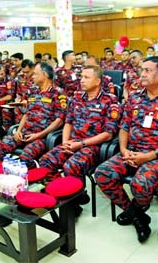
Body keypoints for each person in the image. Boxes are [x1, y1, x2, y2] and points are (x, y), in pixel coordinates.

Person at [94, 56, 158, 243]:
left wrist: (148, 157)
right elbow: (124, 127)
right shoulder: (135, 97)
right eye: (142, 70)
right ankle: (137, 217)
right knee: (102, 174)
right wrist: (123, 149)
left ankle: (135, 212)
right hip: (131, 152)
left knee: (140, 185)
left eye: (148, 70)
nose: (142, 74)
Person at [37, 64, 119, 214]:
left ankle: (73, 198)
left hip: (94, 146)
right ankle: (68, 199)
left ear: (97, 81)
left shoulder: (110, 101)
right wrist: (65, 142)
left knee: (71, 166)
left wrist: (81, 144)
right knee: (45, 162)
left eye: (86, 77)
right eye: (81, 76)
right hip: (73, 142)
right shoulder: (77, 97)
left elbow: (108, 134)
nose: (82, 80)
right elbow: (68, 122)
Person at [0, 63, 66, 164]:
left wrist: (39, 135)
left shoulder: (58, 93)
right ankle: (8, 175)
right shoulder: (32, 91)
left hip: (42, 137)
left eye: (35, 74)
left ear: (44, 75)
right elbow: (26, 114)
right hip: (25, 134)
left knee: (25, 157)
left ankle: (33, 178)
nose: (32, 76)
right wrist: (18, 131)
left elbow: (59, 121)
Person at [0, 64, 17, 136]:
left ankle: (5, 132)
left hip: (5, 103)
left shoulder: (9, 80)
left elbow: (9, 96)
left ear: (4, 72)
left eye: (2, 74)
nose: (0, 76)